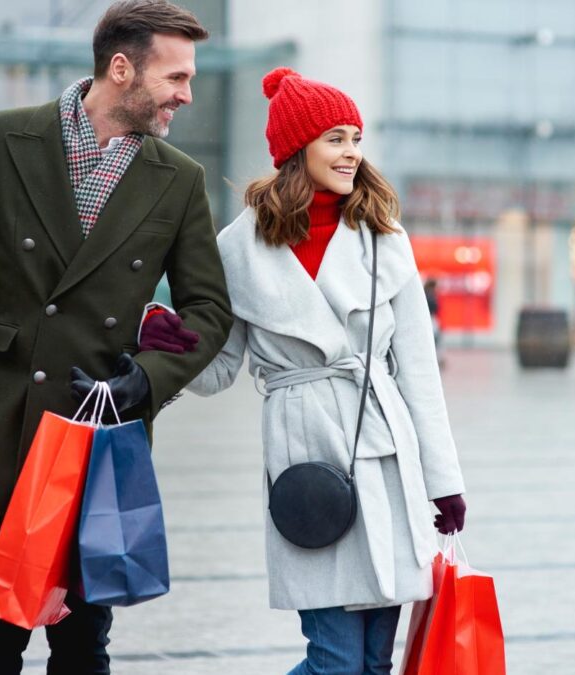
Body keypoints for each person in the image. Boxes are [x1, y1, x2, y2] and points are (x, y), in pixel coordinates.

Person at [0, 1, 232, 673]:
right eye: (175, 78)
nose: (185, 95)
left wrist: (146, 380)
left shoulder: (181, 180)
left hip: (95, 441)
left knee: (83, 645)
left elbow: (208, 310)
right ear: (120, 68)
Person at [182, 68, 467, 675]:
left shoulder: (383, 236)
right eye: (336, 138)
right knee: (335, 662)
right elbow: (219, 370)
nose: (351, 153)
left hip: (387, 458)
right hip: (308, 463)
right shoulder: (238, 247)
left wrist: (443, 480)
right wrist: (172, 341)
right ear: (296, 148)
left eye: (356, 139)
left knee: (371, 667)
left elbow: (417, 369)